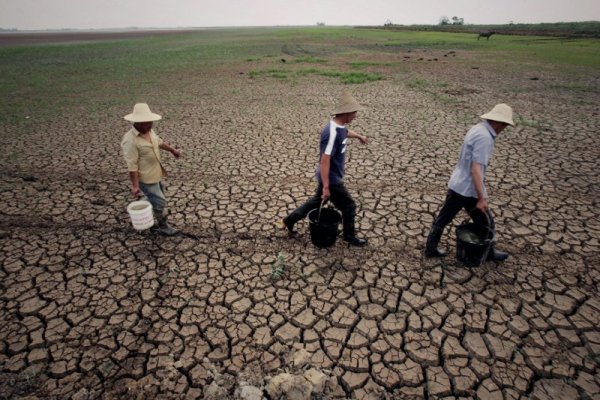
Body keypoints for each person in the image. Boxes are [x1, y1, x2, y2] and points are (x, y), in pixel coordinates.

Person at [424, 103, 514, 261]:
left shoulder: (478, 128)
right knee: (487, 223)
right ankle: (489, 252)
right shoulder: (485, 138)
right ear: (499, 123)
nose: (503, 129)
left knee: (444, 218)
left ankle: (431, 248)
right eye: (505, 125)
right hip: (468, 189)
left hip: (458, 184)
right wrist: (481, 198)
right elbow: (476, 169)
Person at [282, 92, 369, 247]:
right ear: (346, 113)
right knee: (349, 206)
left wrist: (360, 136)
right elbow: (324, 161)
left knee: (316, 202)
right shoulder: (331, 133)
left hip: (330, 177)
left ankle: (289, 220)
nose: (355, 115)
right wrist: (327, 186)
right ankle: (349, 236)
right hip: (332, 179)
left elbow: (346, 133)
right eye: (354, 112)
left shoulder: (340, 127)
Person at [121, 103, 181, 235]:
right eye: (145, 123)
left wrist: (172, 150)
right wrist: (135, 186)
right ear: (136, 122)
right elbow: (132, 167)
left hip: (157, 173)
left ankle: (146, 202)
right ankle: (163, 227)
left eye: (150, 123)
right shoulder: (130, 141)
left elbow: (159, 142)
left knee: (158, 197)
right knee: (160, 201)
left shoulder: (149, 131)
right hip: (146, 178)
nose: (149, 126)